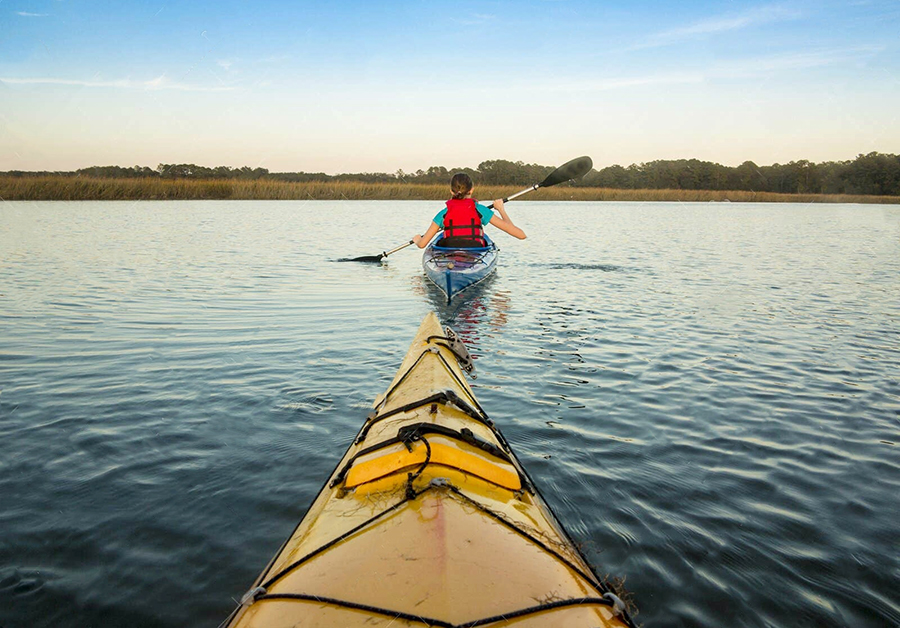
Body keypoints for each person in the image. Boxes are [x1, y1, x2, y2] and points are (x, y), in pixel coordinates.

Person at [412, 173, 526, 249]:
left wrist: (417, 240)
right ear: (471, 190)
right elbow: (520, 235)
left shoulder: (443, 214)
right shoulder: (480, 210)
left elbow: (422, 245)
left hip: (450, 252)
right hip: (475, 252)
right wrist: (501, 209)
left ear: (451, 191)